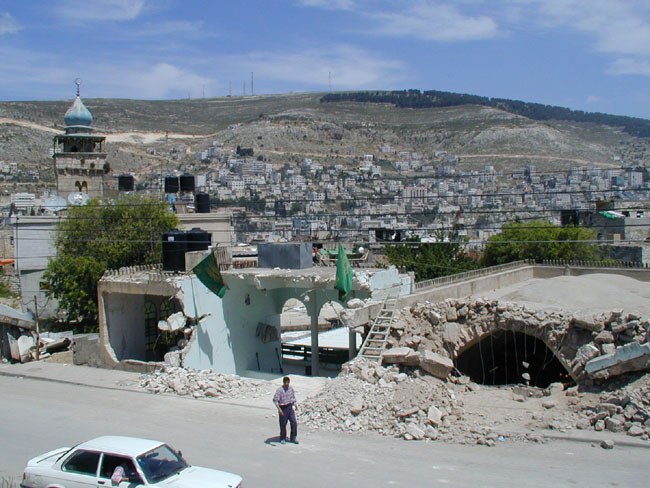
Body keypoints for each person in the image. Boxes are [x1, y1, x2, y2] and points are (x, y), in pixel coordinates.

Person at [273, 375, 298, 444]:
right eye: (285, 383)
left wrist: (295, 405)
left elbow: (293, 397)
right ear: (283, 382)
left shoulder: (291, 389)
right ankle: (283, 437)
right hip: (283, 407)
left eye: (288, 382)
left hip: (289, 407)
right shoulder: (279, 390)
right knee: (283, 424)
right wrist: (279, 409)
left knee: (294, 422)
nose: (286, 384)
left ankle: (293, 437)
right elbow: (275, 400)